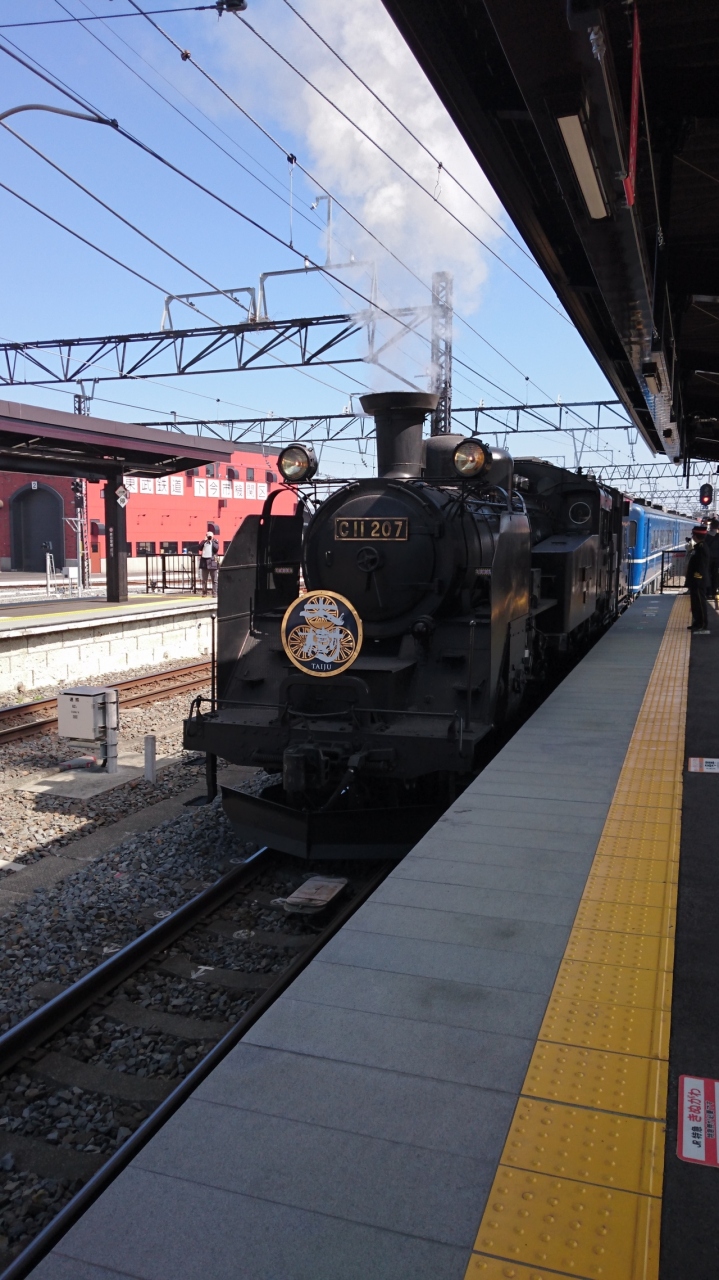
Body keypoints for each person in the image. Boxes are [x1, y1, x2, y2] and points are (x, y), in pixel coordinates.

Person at [686, 526, 710, 633]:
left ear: (696, 536)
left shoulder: (702, 548)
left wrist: (697, 577)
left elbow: (701, 565)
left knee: (700, 602)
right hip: (696, 580)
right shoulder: (699, 547)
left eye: (693, 535)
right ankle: (697, 622)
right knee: (695, 602)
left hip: (699, 580)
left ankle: (703, 624)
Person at [199, 531, 219, 597]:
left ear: (213, 536)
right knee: (204, 580)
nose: (209, 537)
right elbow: (199, 548)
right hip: (204, 563)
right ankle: (204, 593)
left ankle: (214, 593)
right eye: (208, 536)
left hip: (212, 563)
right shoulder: (204, 542)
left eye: (210, 536)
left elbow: (216, 549)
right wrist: (204, 541)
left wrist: (211, 541)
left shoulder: (215, 542)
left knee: (214, 580)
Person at [706, 518, 719, 606]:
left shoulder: (706, 536)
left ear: (710, 526)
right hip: (717, 560)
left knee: (708, 575)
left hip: (708, 559)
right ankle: (714, 592)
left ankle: (708, 593)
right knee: (716, 576)